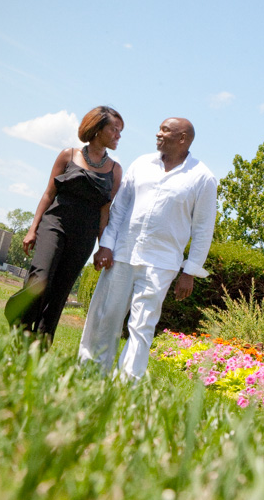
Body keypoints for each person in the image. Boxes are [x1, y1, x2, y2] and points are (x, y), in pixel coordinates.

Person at [78, 116, 217, 380]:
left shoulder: (202, 178)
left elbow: (202, 229)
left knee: (142, 325)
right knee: (106, 316)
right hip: (123, 253)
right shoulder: (141, 164)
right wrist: (106, 245)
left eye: (165, 130)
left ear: (182, 138)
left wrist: (189, 271)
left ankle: (127, 384)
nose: (158, 134)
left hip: (161, 263)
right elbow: (119, 209)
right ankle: (90, 373)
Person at [4, 105, 123, 344]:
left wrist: (103, 246)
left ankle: (41, 346)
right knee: (41, 278)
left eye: (121, 131)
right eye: (114, 129)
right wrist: (32, 228)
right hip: (54, 224)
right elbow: (48, 194)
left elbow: (104, 211)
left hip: (84, 235)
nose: (118, 135)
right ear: (98, 128)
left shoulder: (115, 170)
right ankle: (21, 331)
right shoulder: (68, 155)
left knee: (60, 292)